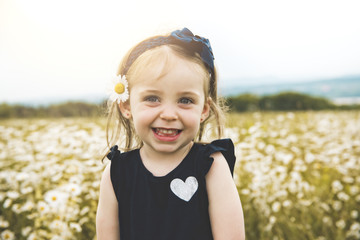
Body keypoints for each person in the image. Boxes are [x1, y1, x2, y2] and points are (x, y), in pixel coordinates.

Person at [96, 27, 245, 240]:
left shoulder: (211, 165)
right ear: (127, 106)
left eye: (185, 100)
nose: (168, 114)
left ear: (204, 110)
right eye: (152, 98)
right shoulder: (117, 172)